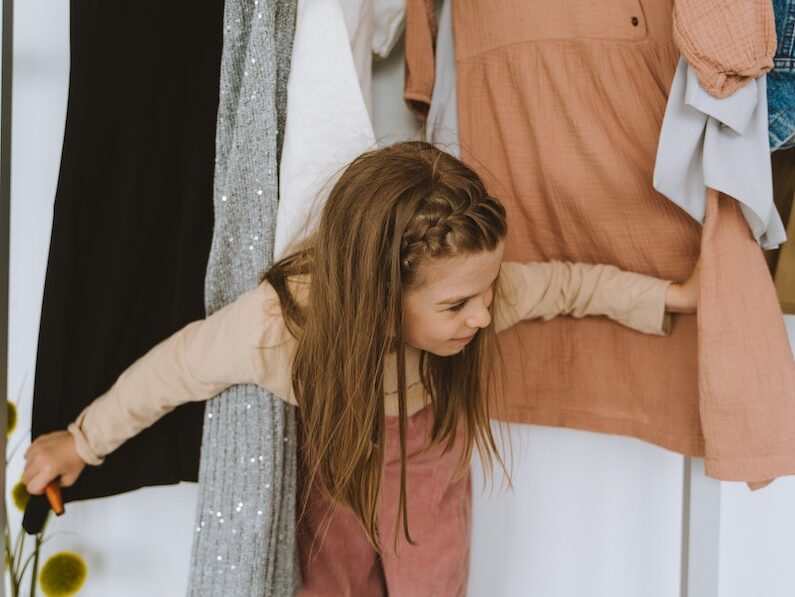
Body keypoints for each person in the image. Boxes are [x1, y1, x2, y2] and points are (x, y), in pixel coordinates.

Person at [23, 141, 699, 595]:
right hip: (336, 454)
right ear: (379, 290)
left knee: (430, 578)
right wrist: (82, 440)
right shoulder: (277, 325)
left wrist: (668, 296)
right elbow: (172, 371)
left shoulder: (469, 290)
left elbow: (567, 286)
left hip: (427, 446)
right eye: (460, 304)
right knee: (327, 579)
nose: (484, 316)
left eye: (487, 293)